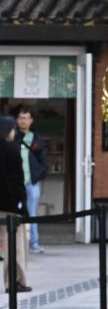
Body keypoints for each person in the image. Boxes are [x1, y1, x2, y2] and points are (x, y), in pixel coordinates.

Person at [0, 115, 29, 292]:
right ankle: (15, 281)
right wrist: (22, 203)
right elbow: (18, 180)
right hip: (10, 205)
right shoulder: (12, 150)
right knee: (15, 245)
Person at [15, 107, 45, 253]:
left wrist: (39, 174)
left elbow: (42, 159)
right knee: (14, 213)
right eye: (21, 117)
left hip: (32, 182)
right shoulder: (12, 136)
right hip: (15, 183)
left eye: (26, 118)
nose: (23, 120)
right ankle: (15, 244)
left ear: (31, 120)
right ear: (17, 120)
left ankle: (34, 243)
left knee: (32, 213)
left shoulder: (36, 138)